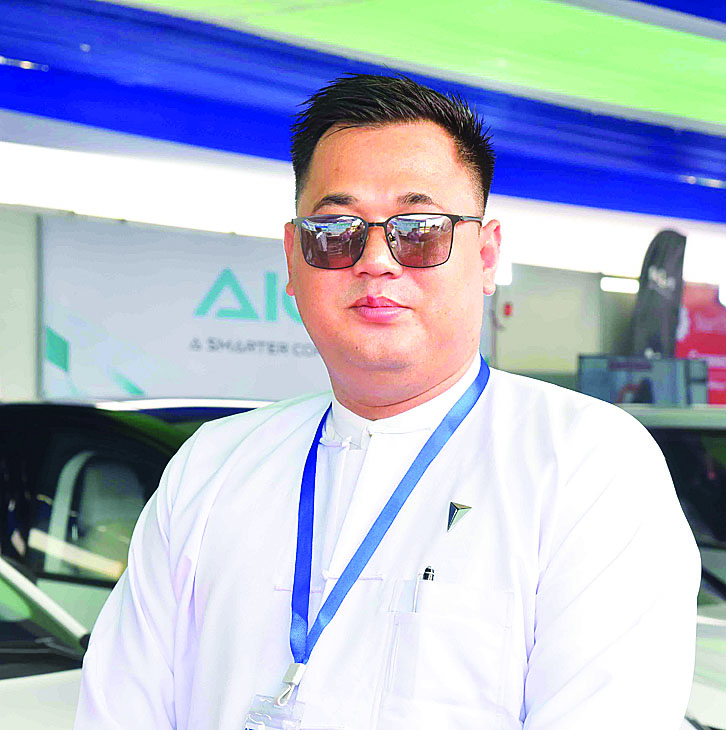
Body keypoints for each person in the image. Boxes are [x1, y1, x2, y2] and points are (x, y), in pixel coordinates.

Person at [74, 74, 700, 730]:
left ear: (486, 257)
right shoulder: (212, 467)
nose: (375, 259)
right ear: (293, 258)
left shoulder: (585, 461)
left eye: (419, 229)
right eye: (335, 230)